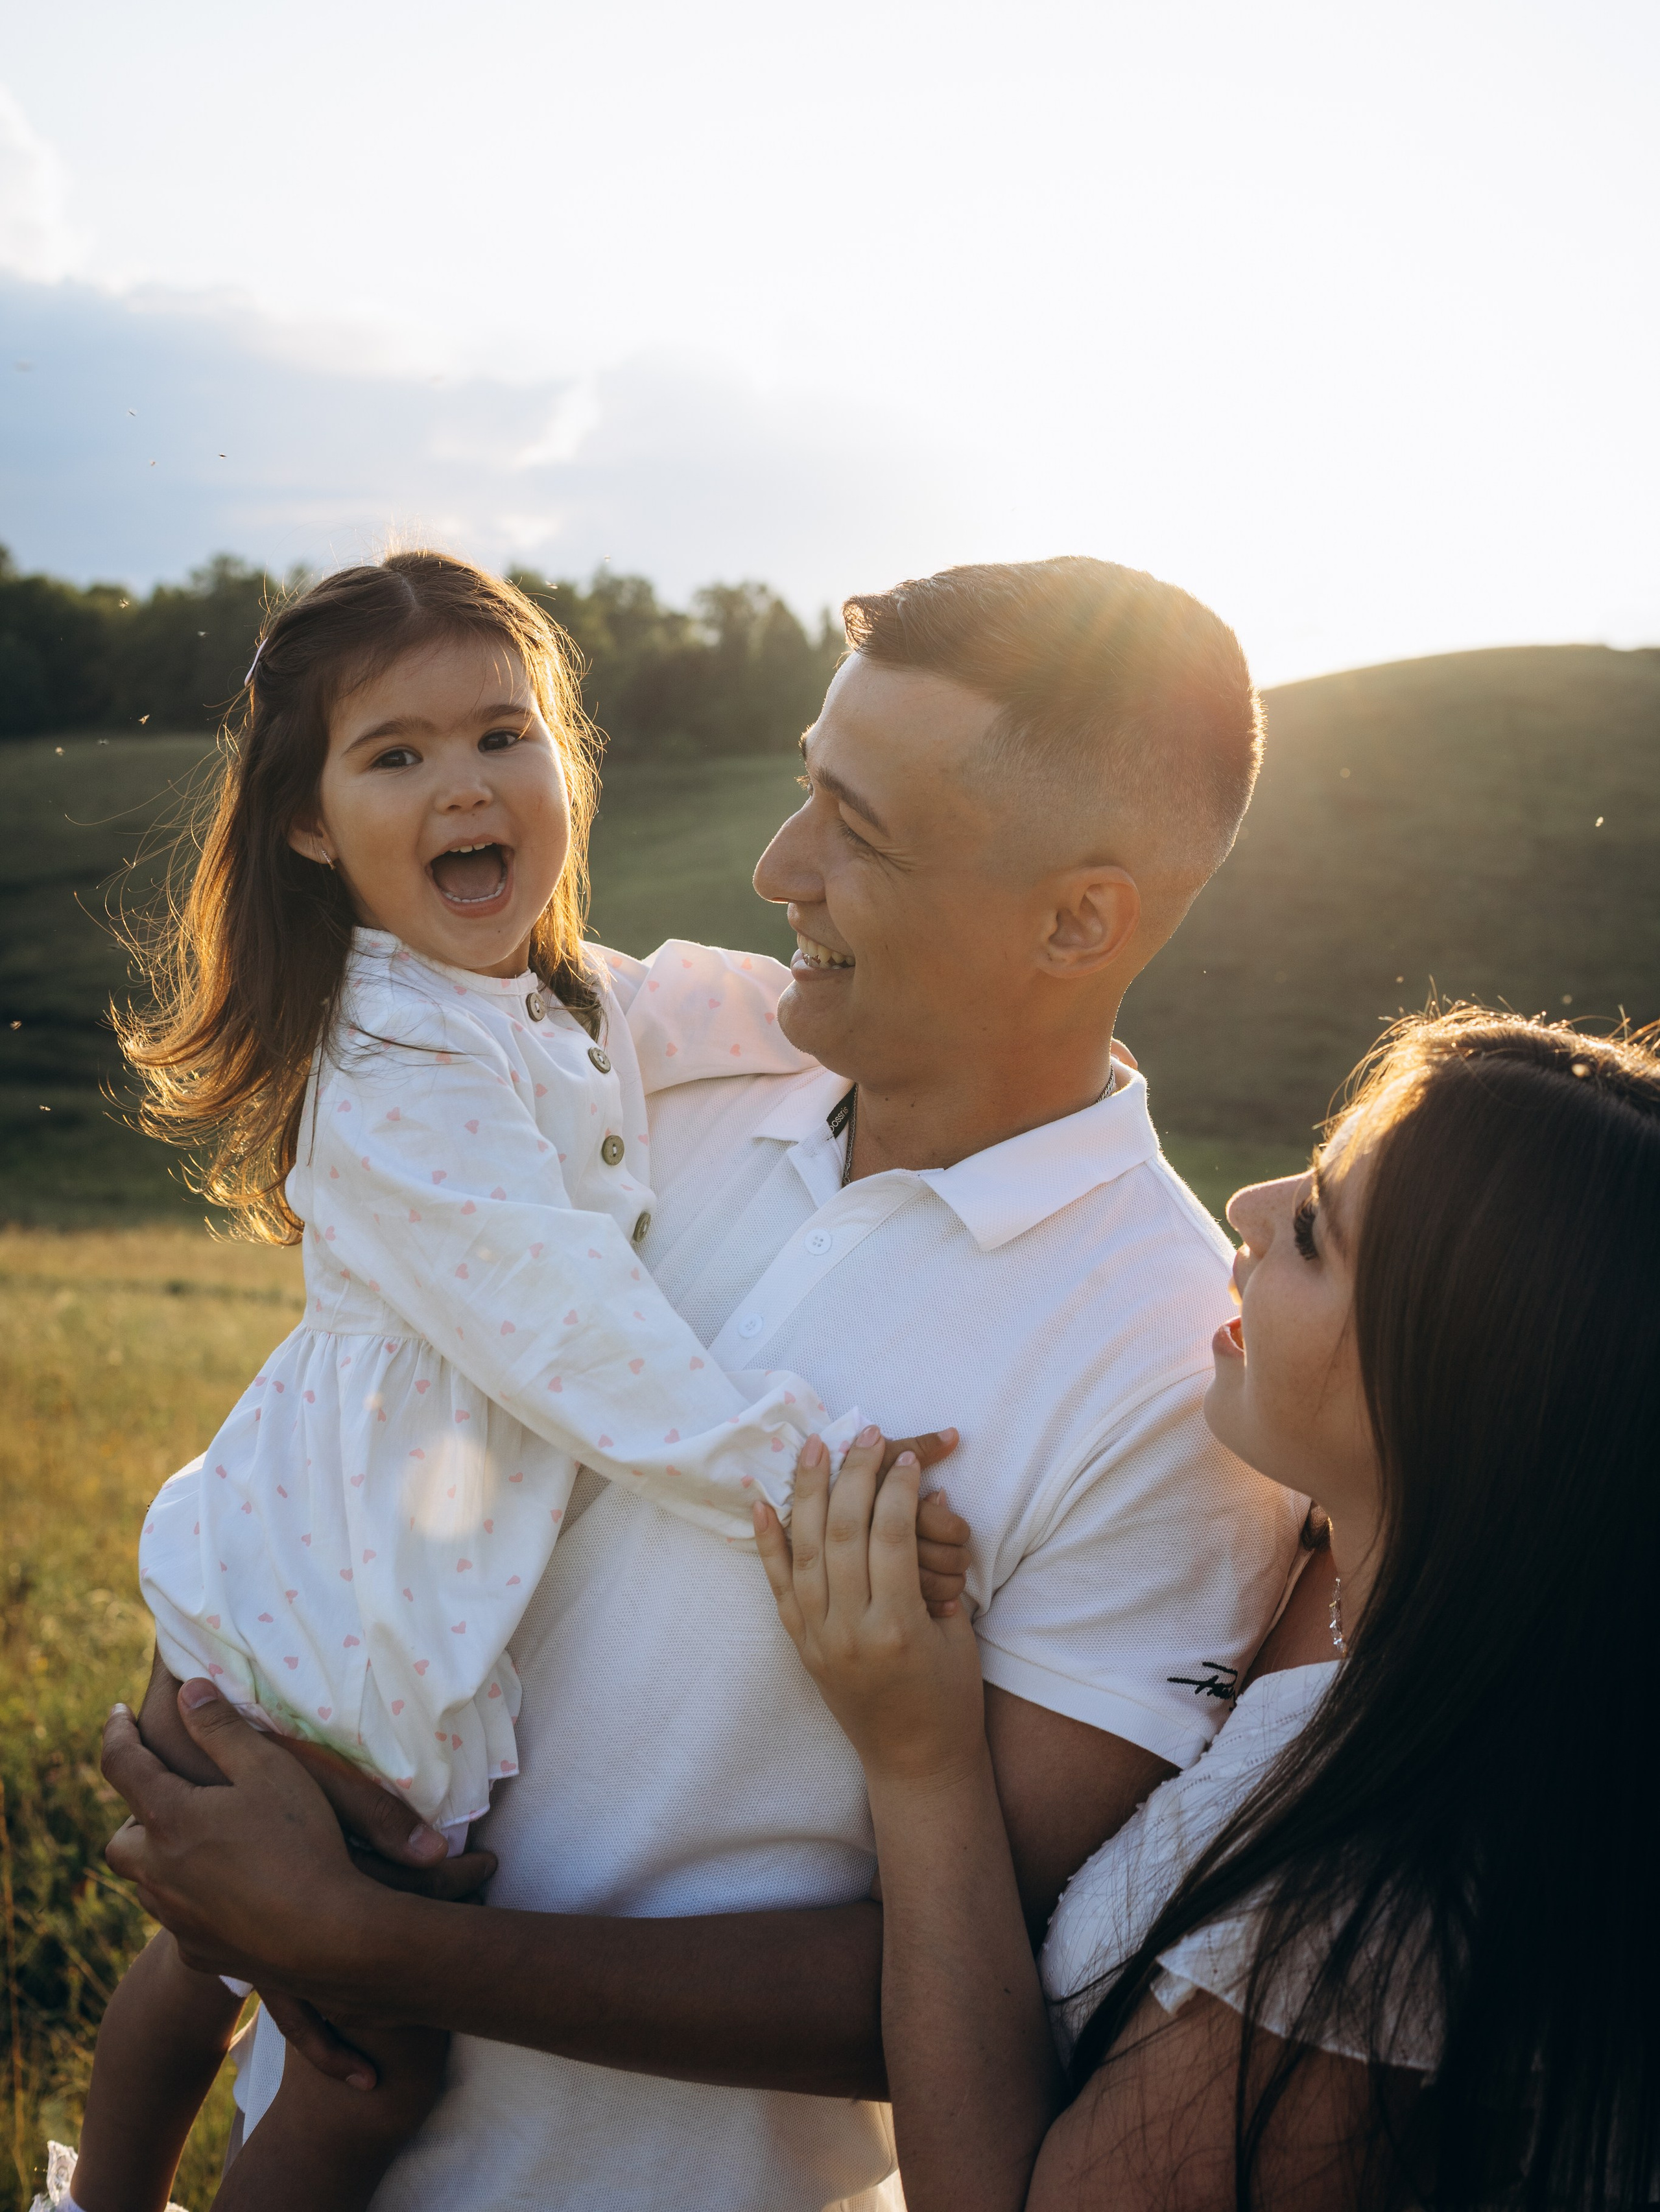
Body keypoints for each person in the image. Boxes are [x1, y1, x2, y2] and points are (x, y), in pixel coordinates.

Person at [99, 556, 1304, 2212]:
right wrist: (229, 1749)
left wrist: (367, 1941)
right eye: (805, 789)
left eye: (854, 829)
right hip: (312, 2137)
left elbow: (963, 1978)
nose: (774, 866)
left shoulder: (1180, 1371)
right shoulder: (638, 1073)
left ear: (1078, 916)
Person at [67, 550, 962, 2212]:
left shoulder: (560, 998)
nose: (462, 784)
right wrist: (800, 1477)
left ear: (564, 765)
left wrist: (943, 1008)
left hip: (407, 1582)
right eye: (392, 755)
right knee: (297, 2010)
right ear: (311, 825)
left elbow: (729, 1002)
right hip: (327, 1590)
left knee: (323, 2005)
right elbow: (571, 1334)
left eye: (501, 735)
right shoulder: (388, 1061)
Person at [755, 1007, 1660, 2209]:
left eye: (1312, 1233)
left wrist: (922, 1761)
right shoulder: (1371, 1572)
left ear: (1448, 1388)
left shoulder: (1373, 1894)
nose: (1244, 1206)